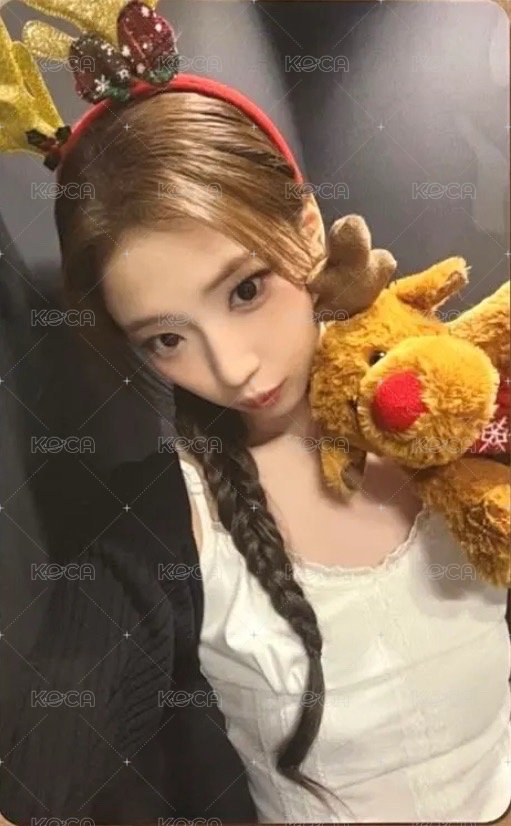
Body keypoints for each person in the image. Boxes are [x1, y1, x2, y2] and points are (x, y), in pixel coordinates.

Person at [0, 3, 509, 822]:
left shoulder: (451, 397)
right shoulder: (171, 524)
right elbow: (40, 775)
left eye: (244, 290)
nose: (232, 367)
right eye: (166, 339)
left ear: (307, 228)